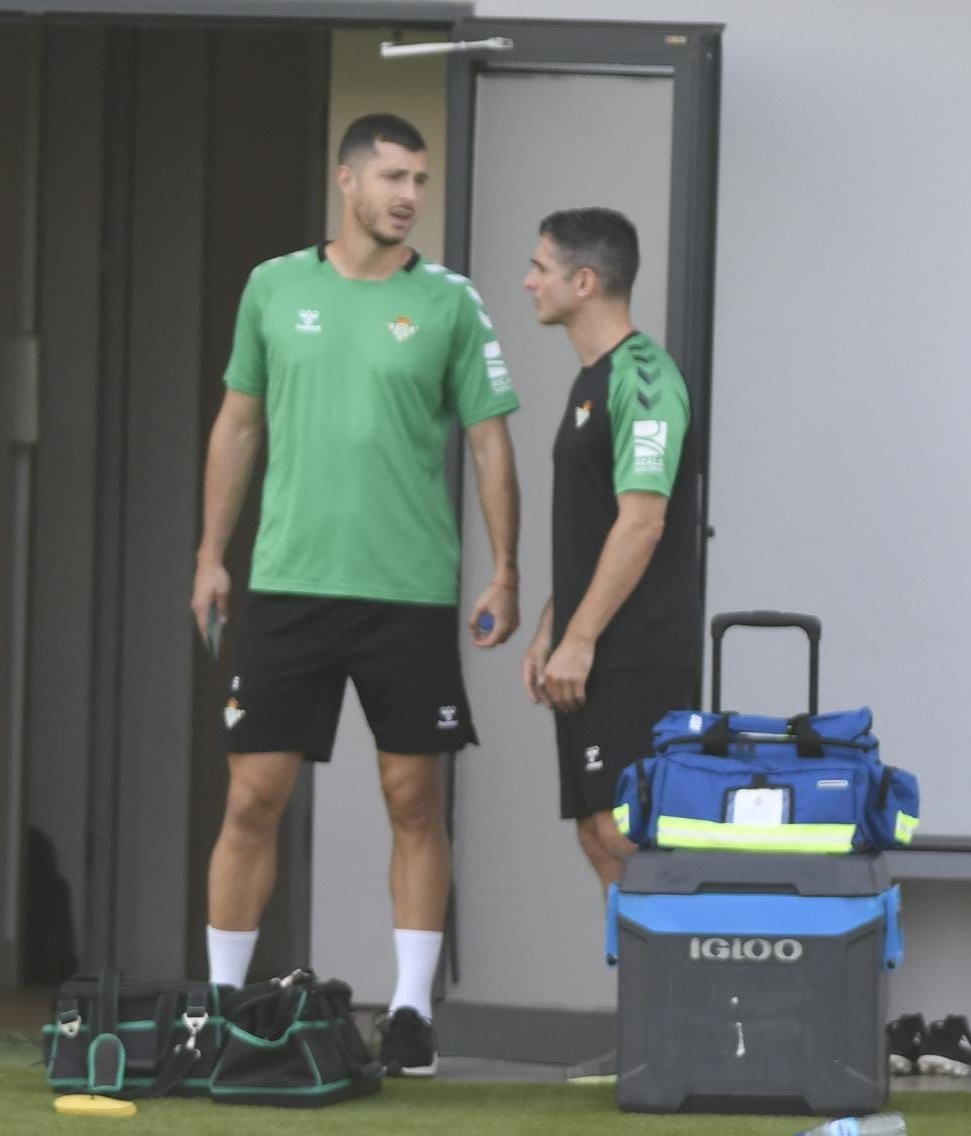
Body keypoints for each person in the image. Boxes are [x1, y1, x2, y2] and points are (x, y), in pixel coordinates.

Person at [190, 112, 521, 1079]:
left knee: (413, 796)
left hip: (407, 594)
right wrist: (211, 553)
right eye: (391, 177)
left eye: (419, 178)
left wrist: (505, 569)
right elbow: (238, 426)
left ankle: (412, 1012)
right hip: (288, 585)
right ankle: (218, 1008)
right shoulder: (273, 285)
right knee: (253, 796)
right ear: (346, 183)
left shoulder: (453, 302)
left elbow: (491, 441)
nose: (409, 194)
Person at [519, 207, 701, 1083]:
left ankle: (690, 1033)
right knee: (599, 833)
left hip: (636, 654)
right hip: (591, 647)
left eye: (540, 267)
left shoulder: (645, 376)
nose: (529, 281)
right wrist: (553, 625)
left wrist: (582, 637)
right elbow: (594, 526)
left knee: (630, 835)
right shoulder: (587, 380)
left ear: (584, 282)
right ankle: (649, 1035)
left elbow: (643, 521)